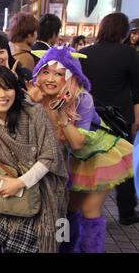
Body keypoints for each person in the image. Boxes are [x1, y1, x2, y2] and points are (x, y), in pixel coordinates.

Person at [27, 46, 133, 252]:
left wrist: (62, 116)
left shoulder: (83, 99)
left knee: (89, 211)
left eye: (59, 74)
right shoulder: (37, 98)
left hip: (96, 158)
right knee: (64, 212)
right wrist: (38, 105)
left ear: (70, 77)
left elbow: (76, 144)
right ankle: (65, 248)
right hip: (65, 161)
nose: (50, 79)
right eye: (45, 72)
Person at [0, 65, 67, 253]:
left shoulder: (34, 113)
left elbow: (50, 156)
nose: (2, 95)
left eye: (7, 88)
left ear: (15, 90)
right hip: (1, 194)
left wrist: (20, 183)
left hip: (36, 192)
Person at [80, 12, 139, 226]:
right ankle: (126, 211)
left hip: (90, 116)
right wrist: (135, 121)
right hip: (120, 118)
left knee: (89, 160)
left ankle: (84, 205)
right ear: (123, 32)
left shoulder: (85, 53)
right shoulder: (129, 54)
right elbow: (137, 90)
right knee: (123, 164)